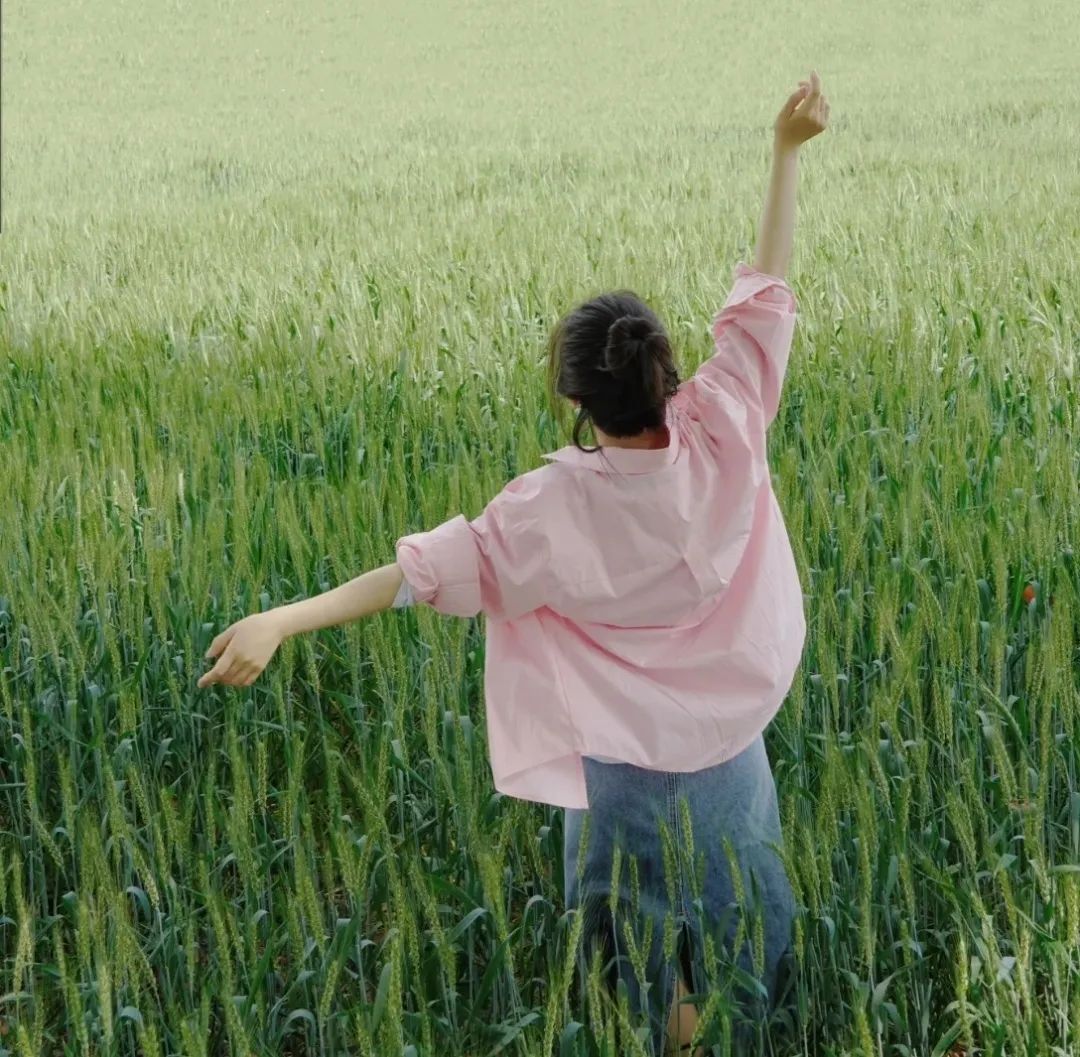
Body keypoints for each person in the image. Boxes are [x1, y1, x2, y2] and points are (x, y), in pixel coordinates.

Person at [198, 71, 830, 1057]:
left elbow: (412, 575)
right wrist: (785, 152)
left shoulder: (547, 510)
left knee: (634, 951)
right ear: (666, 368)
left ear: (576, 402)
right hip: (727, 758)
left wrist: (281, 619)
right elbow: (764, 292)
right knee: (733, 928)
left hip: (618, 777)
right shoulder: (728, 422)